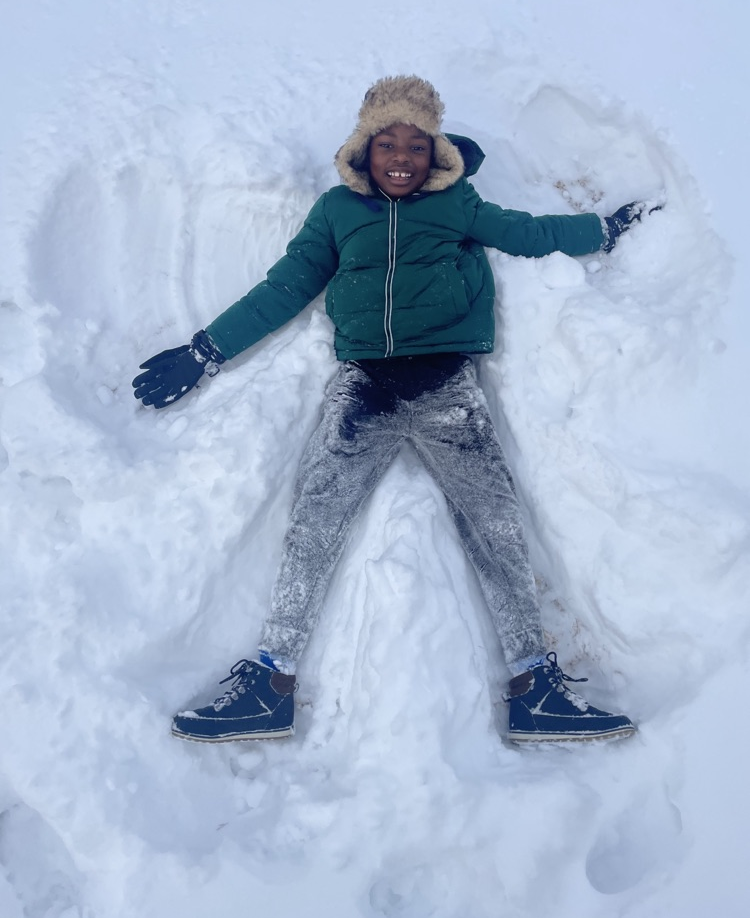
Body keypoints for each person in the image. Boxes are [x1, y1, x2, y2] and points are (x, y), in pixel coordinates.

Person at [134, 76, 649, 745]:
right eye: (387, 143)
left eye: (416, 143)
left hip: (446, 387)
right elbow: (284, 287)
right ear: (364, 149)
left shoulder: (458, 203)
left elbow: (528, 232)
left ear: (435, 152)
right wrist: (205, 351)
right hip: (364, 390)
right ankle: (270, 682)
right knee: (315, 519)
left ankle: (534, 686)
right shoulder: (336, 212)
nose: (401, 156)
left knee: (494, 525)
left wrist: (601, 231)